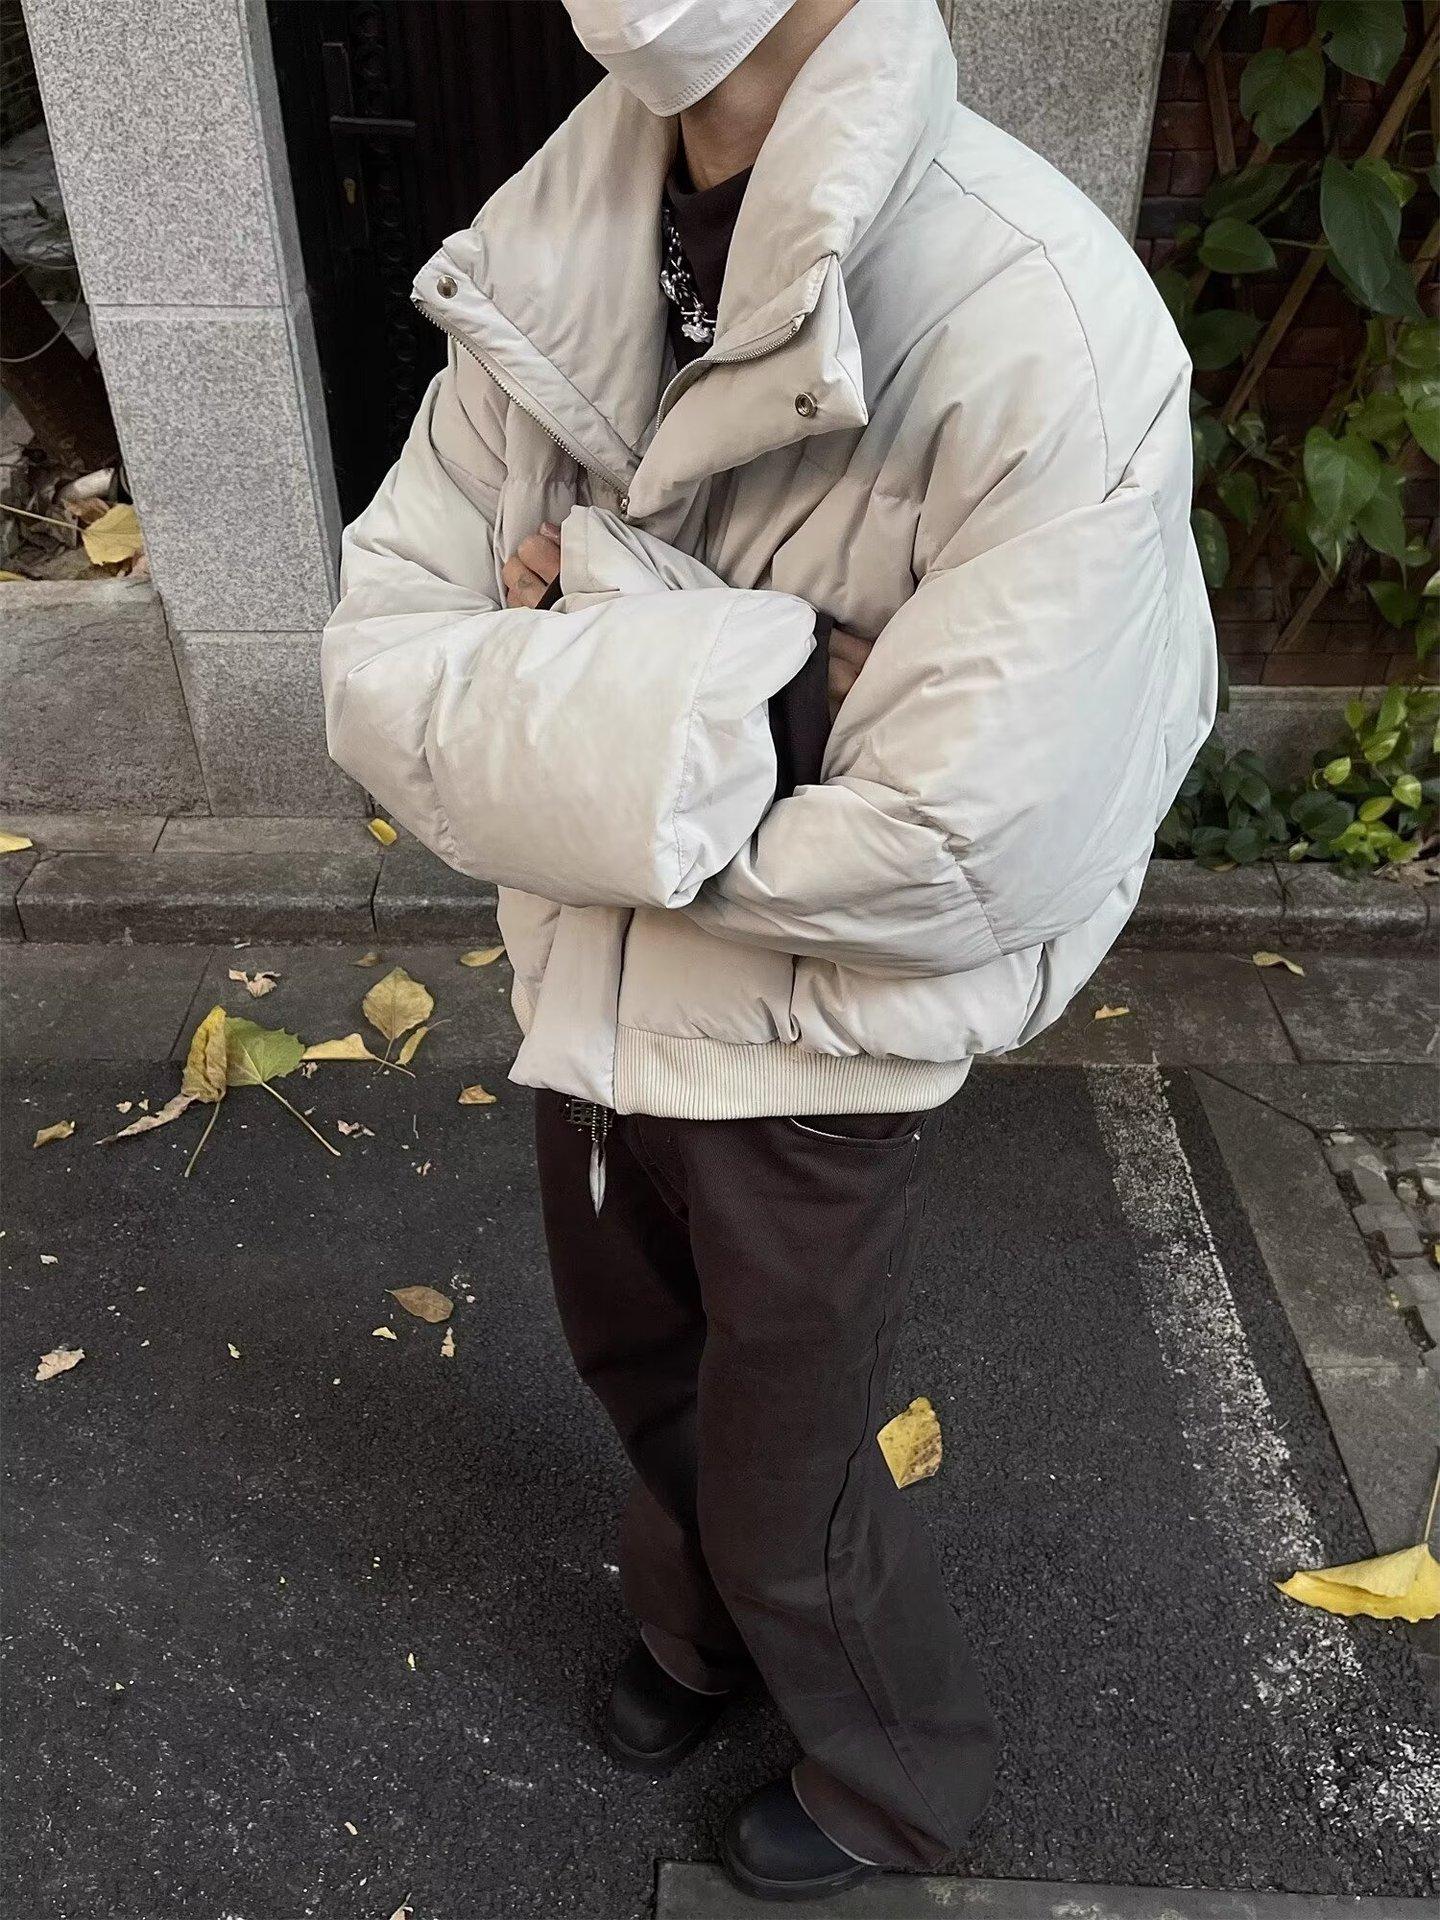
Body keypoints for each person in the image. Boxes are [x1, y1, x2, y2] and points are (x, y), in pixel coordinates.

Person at [321, 0, 1217, 1897]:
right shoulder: (548, 247)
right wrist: (786, 688)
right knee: (637, 1363)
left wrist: (587, 639)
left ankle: (900, 1779)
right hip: (586, 1012)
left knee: (788, 1456)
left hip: (813, 1058)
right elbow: (379, 671)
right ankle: (694, 1639)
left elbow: (965, 840)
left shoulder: (1043, 317)